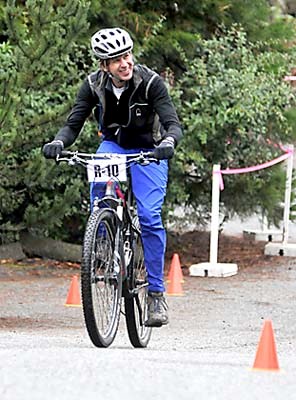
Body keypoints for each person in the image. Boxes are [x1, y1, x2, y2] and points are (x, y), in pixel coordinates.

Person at [42, 27, 182, 327]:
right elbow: (74, 123)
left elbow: (172, 123)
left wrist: (168, 143)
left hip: (150, 150)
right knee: (101, 195)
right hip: (114, 146)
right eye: (116, 59)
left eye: (127, 55)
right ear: (104, 66)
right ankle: (104, 241)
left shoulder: (151, 83)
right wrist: (59, 142)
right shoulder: (93, 85)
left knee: (149, 216)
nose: (125, 63)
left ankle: (156, 293)